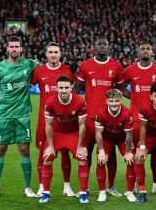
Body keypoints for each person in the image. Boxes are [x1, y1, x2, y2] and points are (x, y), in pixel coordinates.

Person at [74, 36, 125, 197]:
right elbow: (77, 88)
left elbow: (122, 90)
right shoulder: (85, 65)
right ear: (94, 47)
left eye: (105, 44)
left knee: (110, 154)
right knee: (86, 153)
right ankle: (85, 186)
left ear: (108, 46)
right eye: (99, 44)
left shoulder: (116, 65)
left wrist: (142, 97)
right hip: (89, 118)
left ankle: (110, 186)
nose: (102, 46)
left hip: (110, 119)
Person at [0, 36, 38, 198]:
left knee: (25, 151)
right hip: (4, 115)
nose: (14, 49)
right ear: (7, 48)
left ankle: (28, 187)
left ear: (21, 48)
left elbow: (48, 69)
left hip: (22, 115)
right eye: (11, 46)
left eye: (17, 46)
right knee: (0, 149)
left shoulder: (29, 64)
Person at [31, 42, 76, 197]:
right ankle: (42, 186)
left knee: (65, 153)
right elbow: (25, 87)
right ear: (46, 54)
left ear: (60, 53)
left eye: (56, 52)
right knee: (42, 153)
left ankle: (67, 187)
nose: (53, 55)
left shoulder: (68, 71)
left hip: (65, 119)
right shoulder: (38, 71)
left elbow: (77, 88)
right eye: (50, 52)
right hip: (44, 119)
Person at [123, 41, 156, 195]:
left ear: (152, 52)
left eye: (148, 48)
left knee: (155, 152)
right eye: (143, 49)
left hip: (155, 120)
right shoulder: (130, 70)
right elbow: (121, 87)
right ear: (139, 53)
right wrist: (133, 97)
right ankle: (133, 184)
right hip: (136, 119)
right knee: (135, 152)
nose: (146, 51)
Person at [39, 75, 89, 204]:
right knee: (47, 157)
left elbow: (82, 125)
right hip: (57, 133)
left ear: (71, 87)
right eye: (61, 88)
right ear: (56, 88)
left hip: (74, 133)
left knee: (82, 158)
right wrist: (50, 146)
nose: (64, 90)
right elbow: (48, 125)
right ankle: (46, 193)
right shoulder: (50, 102)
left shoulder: (80, 101)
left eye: (66, 87)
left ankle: (83, 193)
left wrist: (80, 146)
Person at [95, 89, 136, 202]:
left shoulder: (127, 113)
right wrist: (102, 152)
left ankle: (130, 192)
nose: (114, 104)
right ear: (106, 101)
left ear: (121, 100)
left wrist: (128, 152)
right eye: (111, 101)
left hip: (122, 139)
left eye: (117, 101)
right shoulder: (101, 113)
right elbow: (98, 133)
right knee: (101, 161)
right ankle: (102, 192)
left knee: (131, 160)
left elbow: (129, 135)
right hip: (106, 139)